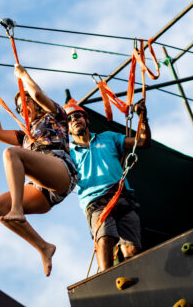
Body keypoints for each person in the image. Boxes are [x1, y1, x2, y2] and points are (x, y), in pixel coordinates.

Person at [0, 63, 78, 276]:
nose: (21, 109)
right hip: (41, 189)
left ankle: (17, 209)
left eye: (24, 102)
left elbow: (37, 93)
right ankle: (44, 247)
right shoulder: (26, 135)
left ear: (34, 103)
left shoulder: (55, 115)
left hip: (61, 169)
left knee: (12, 154)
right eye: (18, 108)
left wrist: (23, 75)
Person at [64, 98, 151, 271]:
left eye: (78, 116)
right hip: (96, 203)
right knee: (105, 239)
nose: (74, 120)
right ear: (66, 128)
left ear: (86, 119)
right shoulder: (69, 155)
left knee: (132, 250)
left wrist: (143, 118)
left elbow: (142, 142)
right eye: (69, 119)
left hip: (123, 198)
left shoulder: (108, 138)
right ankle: (106, 278)